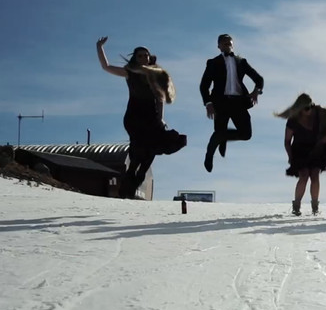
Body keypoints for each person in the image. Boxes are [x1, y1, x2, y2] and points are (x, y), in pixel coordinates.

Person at [96, 37, 186, 198]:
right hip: (135, 117)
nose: (144, 58)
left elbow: (160, 99)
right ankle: (127, 185)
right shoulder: (129, 72)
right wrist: (99, 47)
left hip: (153, 117)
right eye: (140, 56)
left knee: (149, 154)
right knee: (138, 152)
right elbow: (106, 66)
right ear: (135, 59)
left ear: (150, 58)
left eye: (146, 55)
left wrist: (161, 118)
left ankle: (134, 181)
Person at [199, 34, 264, 173]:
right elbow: (204, 86)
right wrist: (208, 103)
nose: (227, 44)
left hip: (238, 103)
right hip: (220, 103)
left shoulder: (241, 61)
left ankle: (223, 138)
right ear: (219, 46)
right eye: (223, 43)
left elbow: (259, 79)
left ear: (232, 45)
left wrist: (256, 91)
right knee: (219, 132)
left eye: (229, 43)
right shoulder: (212, 63)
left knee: (246, 134)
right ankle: (209, 154)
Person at [276, 94, 326, 216]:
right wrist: (290, 157)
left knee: (315, 175)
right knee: (304, 175)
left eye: (310, 107)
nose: (308, 110)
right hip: (300, 150)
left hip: (317, 148)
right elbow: (287, 141)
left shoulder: (320, 115)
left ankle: (315, 207)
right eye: (305, 108)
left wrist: (325, 143)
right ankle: (296, 206)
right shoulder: (293, 120)